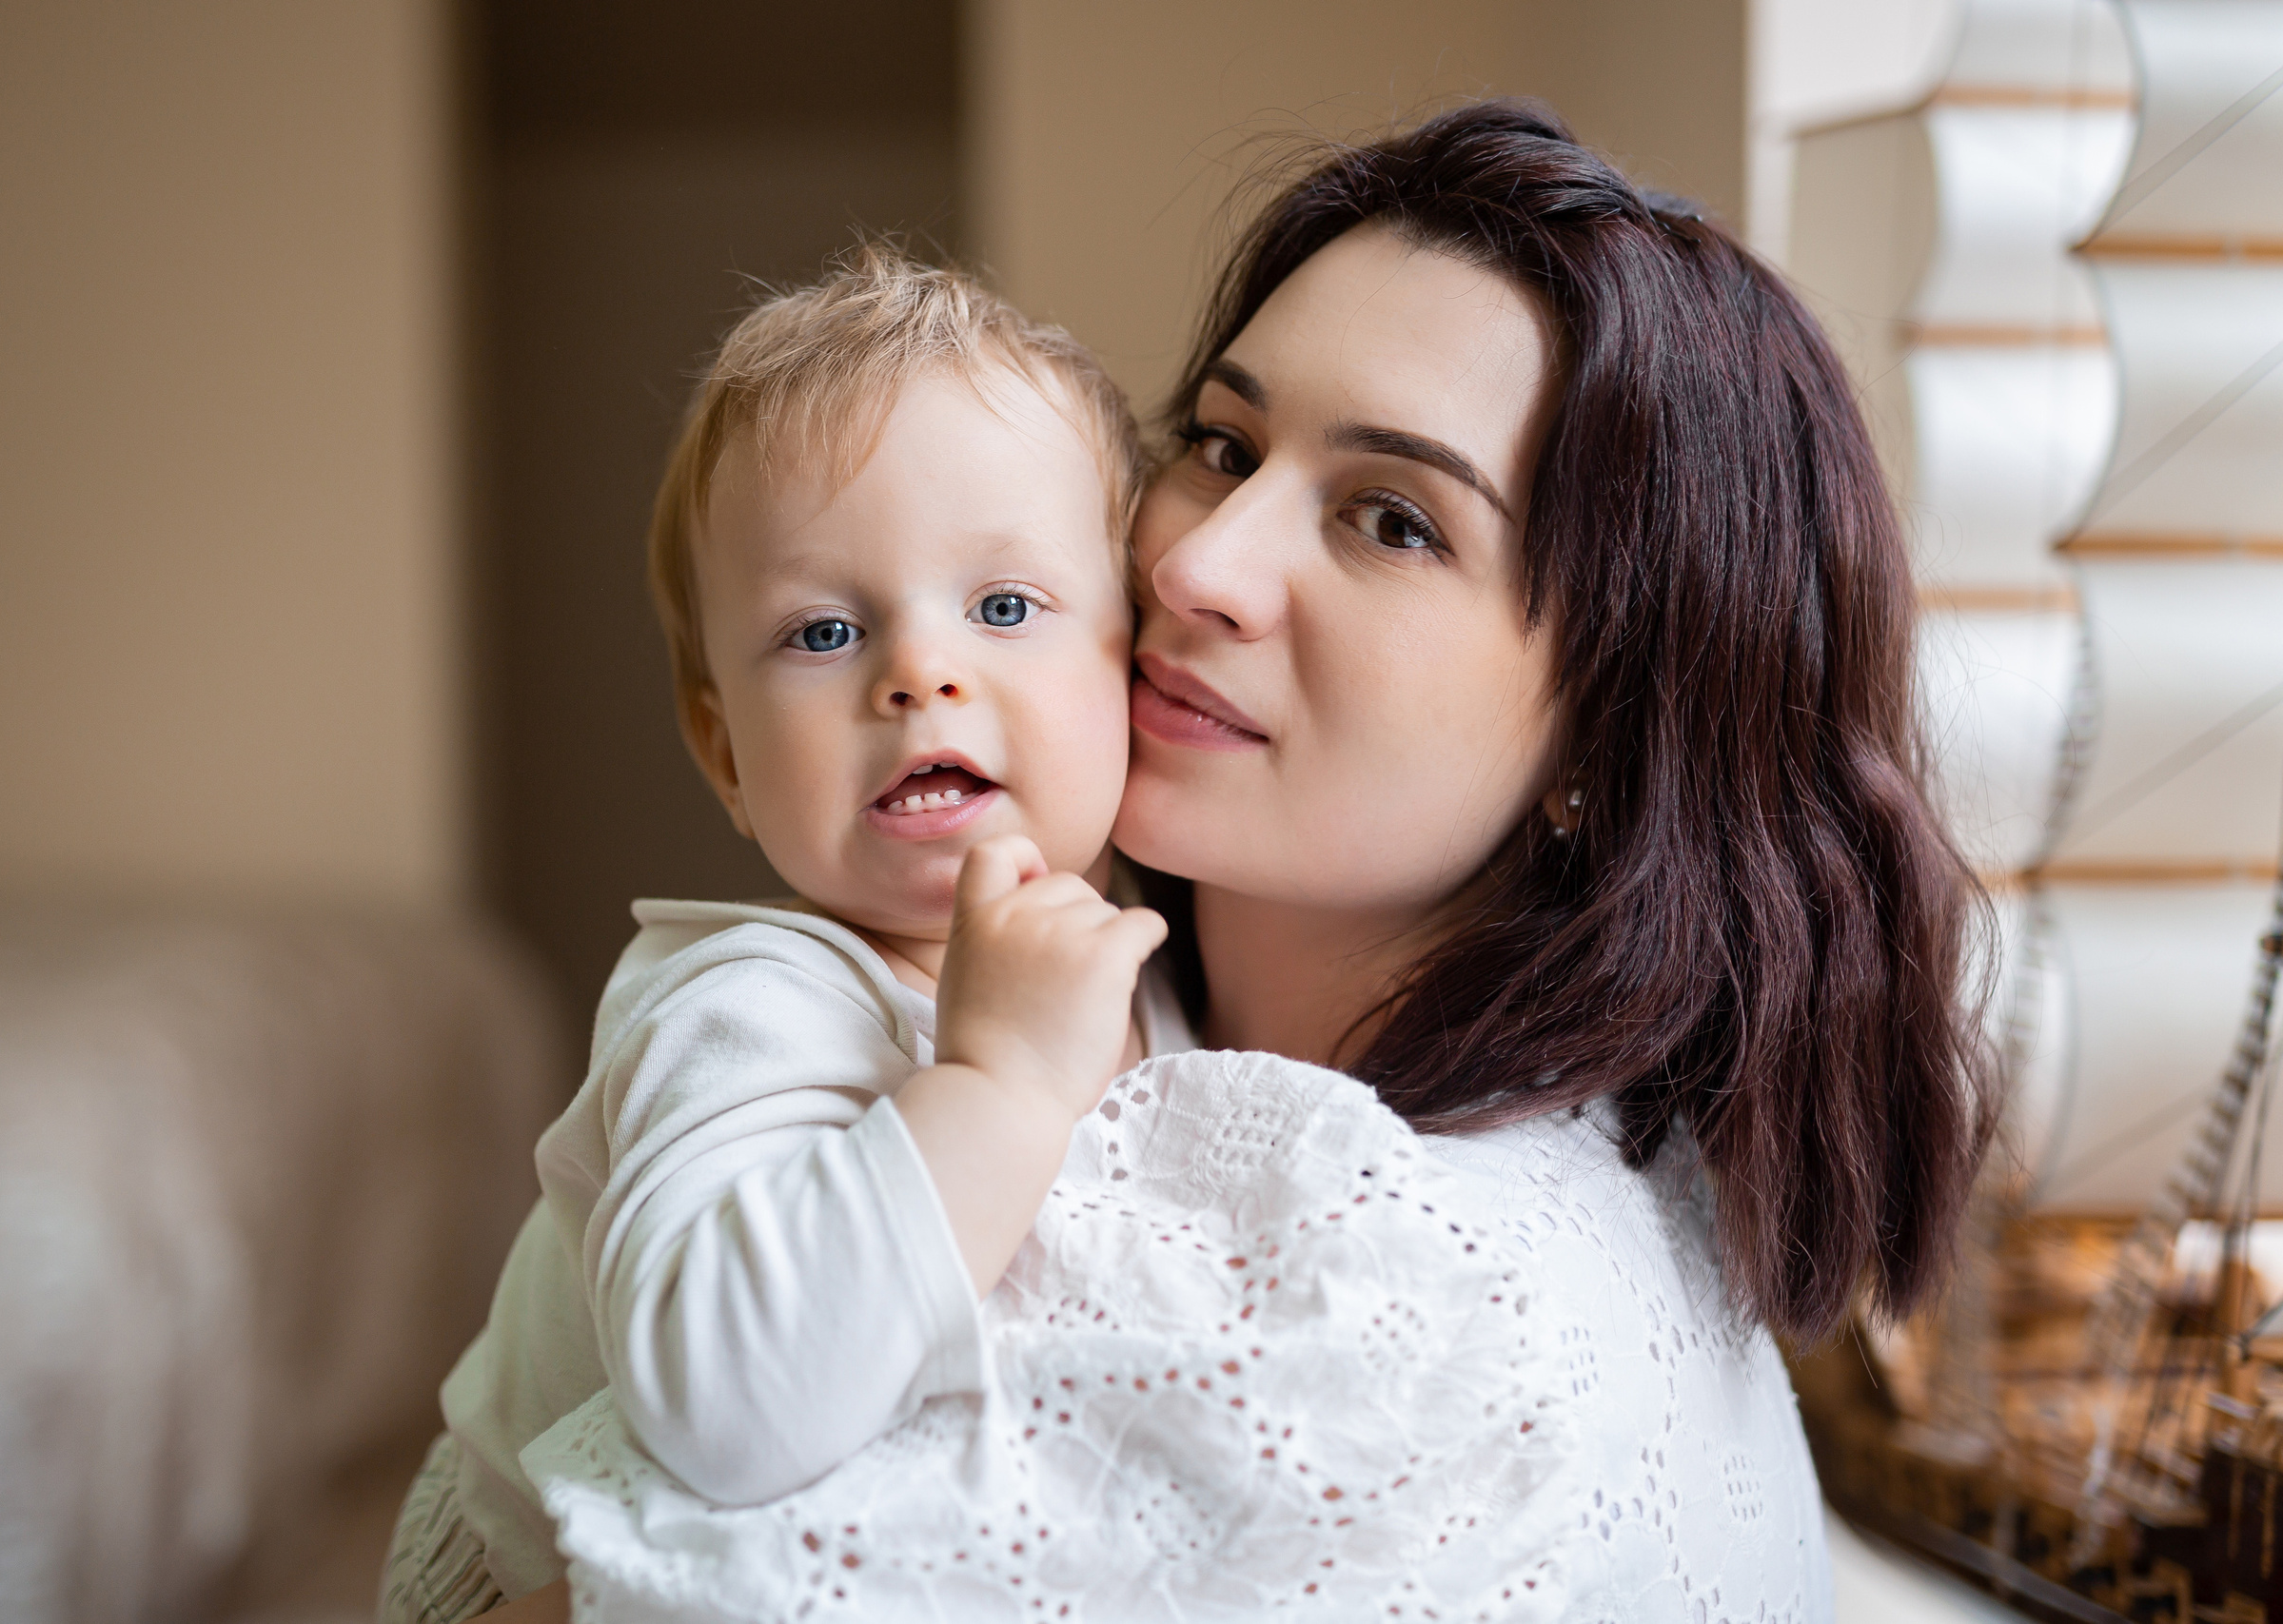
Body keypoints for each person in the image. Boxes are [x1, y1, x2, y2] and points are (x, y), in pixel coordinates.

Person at [509, 100, 1994, 1622]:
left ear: (1610, 738)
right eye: (1221, 445)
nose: (1190, 565)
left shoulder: (1407, 1303)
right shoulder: (997, 1008)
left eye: (1395, 522)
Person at [378, 247, 1190, 1624]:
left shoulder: (1141, 968)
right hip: (533, 1573)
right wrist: (993, 1090)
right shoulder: (742, 1009)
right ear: (725, 754)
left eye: (1003, 607)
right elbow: (725, 1407)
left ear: (1135, 666)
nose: (919, 672)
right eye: (822, 630)